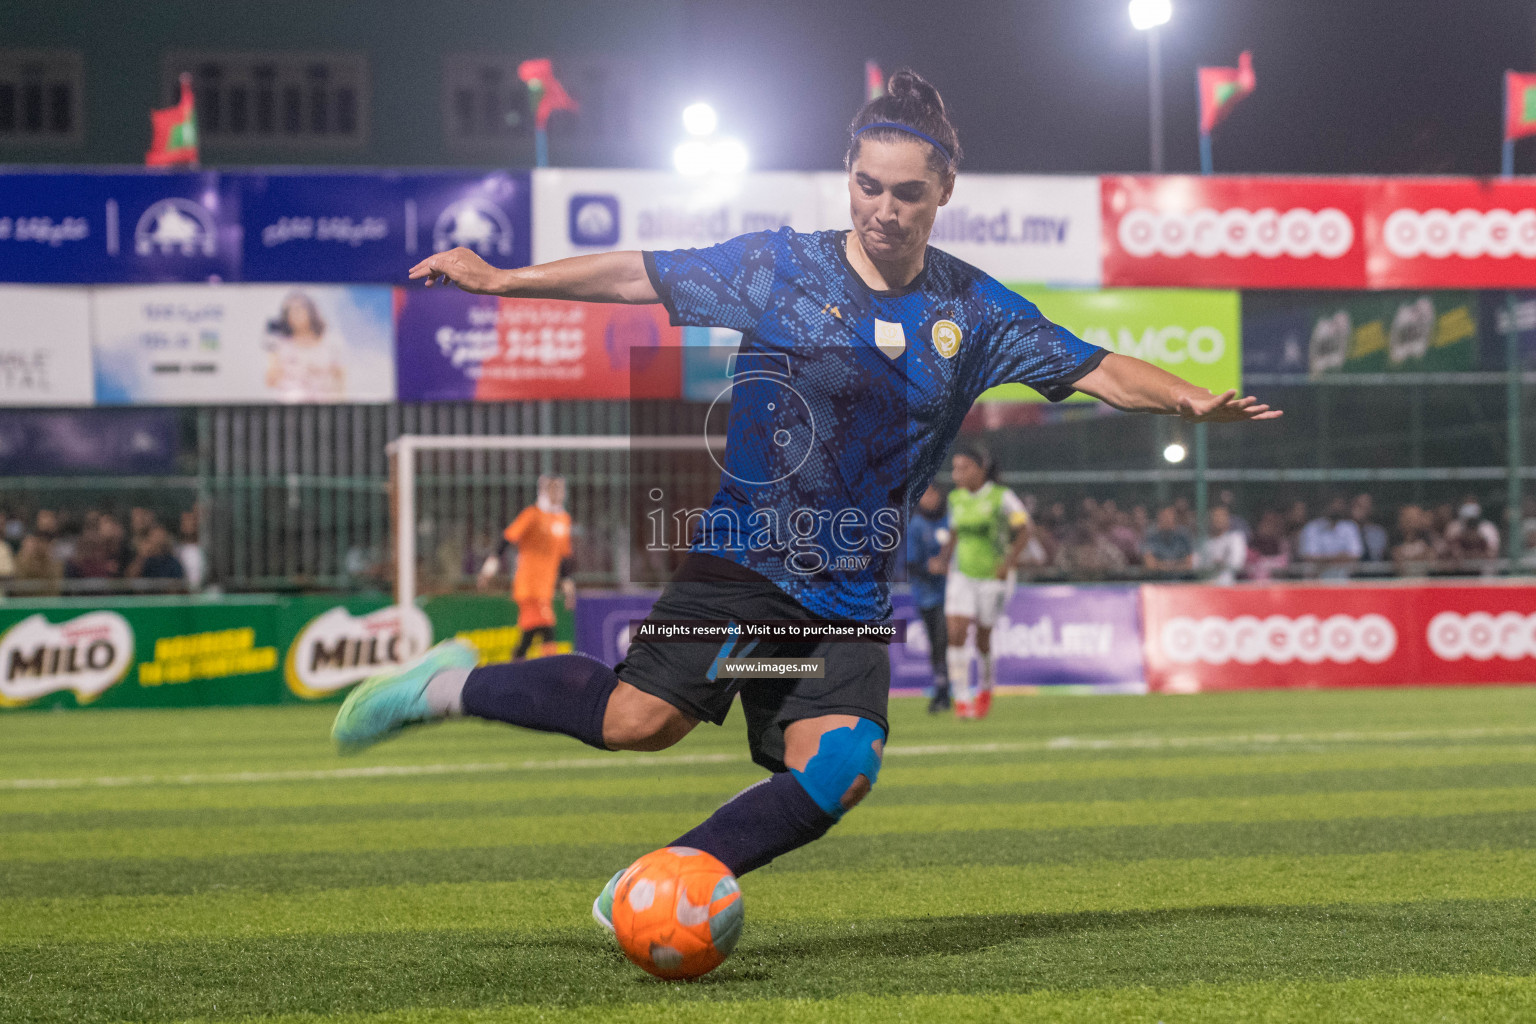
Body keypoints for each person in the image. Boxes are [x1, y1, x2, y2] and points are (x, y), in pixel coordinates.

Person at [331, 69, 1279, 933]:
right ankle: (442, 684)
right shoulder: (779, 269)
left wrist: (1190, 398)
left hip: (846, 597)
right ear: (848, 177)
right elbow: (638, 273)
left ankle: (669, 878)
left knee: (841, 766)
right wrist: (503, 280)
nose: (886, 210)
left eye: (909, 193)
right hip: (744, 562)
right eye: (869, 186)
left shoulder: (976, 314)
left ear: (944, 192)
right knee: (637, 723)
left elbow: (1097, 366)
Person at [939, 448, 1031, 719]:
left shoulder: (1002, 497)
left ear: (980, 469)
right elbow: (955, 532)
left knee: (983, 638)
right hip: (961, 575)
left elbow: (1024, 528)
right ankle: (961, 698)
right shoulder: (955, 498)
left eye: (964, 468)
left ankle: (986, 688)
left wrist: (1009, 562)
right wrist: (943, 559)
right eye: (954, 468)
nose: (957, 474)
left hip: (993, 576)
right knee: (955, 633)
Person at [479, 474, 575, 659]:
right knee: (548, 629)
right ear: (544, 491)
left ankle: (515, 669)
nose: (558, 493)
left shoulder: (563, 519)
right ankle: (550, 675)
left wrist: (568, 588)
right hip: (529, 586)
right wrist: (488, 569)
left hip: (545, 588)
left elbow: (563, 559)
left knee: (530, 634)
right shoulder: (532, 515)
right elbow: (506, 540)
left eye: (561, 489)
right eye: (553, 488)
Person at [905, 484, 950, 713]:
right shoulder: (917, 526)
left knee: (944, 642)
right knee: (936, 644)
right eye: (924, 495)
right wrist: (929, 568)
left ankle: (946, 691)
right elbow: (910, 563)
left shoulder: (951, 521)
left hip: (950, 594)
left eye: (933, 493)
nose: (929, 499)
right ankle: (942, 689)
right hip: (925, 596)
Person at [265, 291, 346, 402]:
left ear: (310, 311)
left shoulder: (330, 342)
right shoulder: (281, 345)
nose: (295, 314)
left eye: (299, 309)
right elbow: (271, 382)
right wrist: (272, 350)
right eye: (290, 311)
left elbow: (340, 378)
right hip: (291, 407)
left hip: (324, 405)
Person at [1297, 496, 1364, 579]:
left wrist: (1324, 559)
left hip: (1343, 580)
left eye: (1338, 504)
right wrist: (1341, 557)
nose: (1335, 508)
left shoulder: (1350, 527)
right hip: (1316, 579)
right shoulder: (1312, 527)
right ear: (1326, 505)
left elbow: (1355, 555)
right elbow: (1309, 556)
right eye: (1333, 504)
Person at [1199, 505, 1248, 585]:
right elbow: (1197, 564)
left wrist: (1221, 563)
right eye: (1215, 516)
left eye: (1221, 516)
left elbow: (1237, 563)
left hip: (1227, 586)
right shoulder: (1204, 542)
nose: (1218, 519)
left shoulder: (1235, 538)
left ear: (1228, 519)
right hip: (1205, 586)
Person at [1142, 505, 1193, 573]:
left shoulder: (1183, 535)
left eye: (1170, 517)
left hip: (1182, 578)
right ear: (1159, 519)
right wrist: (1176, 565)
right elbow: (1150, 565)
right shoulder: (1150, 535)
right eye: (1164, 517)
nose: (1167, 520)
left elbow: (1189, 564)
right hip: (1157, 578)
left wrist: (1163, 565)